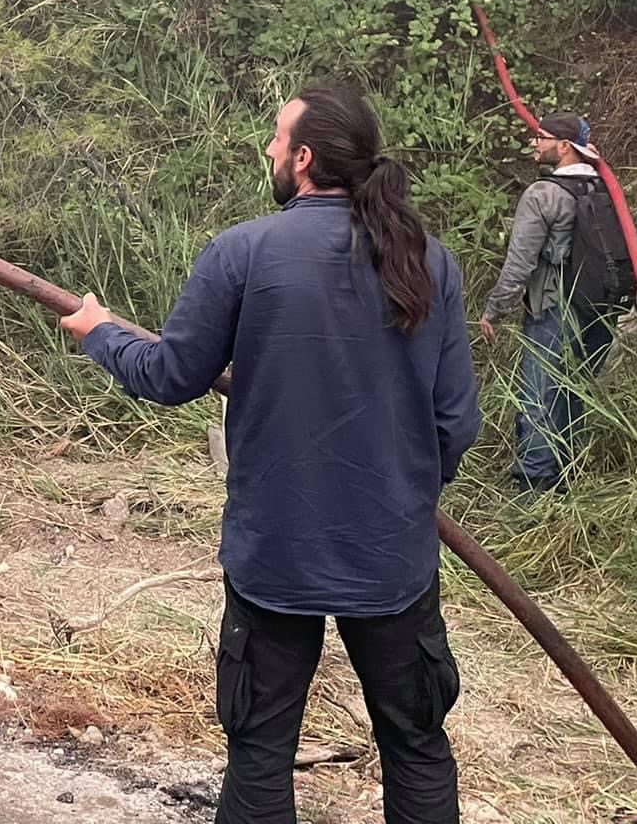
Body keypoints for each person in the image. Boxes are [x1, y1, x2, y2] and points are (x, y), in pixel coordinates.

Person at [62, 85, 478, 824]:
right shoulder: (429, 260)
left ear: (305, 158)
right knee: (416, 746)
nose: (269, 151)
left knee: (260, 750)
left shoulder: (243, 252)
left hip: (276, 554)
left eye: (276, 139)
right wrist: (406, 493)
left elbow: (169, 375)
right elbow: (456, 422)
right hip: (392, 558)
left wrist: (100, 331)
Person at [481, 113, 625, 491]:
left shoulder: (542, 195)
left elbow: (520, 262)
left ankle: (534, 485)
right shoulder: (604, 185)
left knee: (538, 394)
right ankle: (566, 474)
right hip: (599, 306)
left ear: (563, 146)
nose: (534, 142)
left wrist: (495, 310)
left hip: (554, 307)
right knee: (572, 390)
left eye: (541, 137)